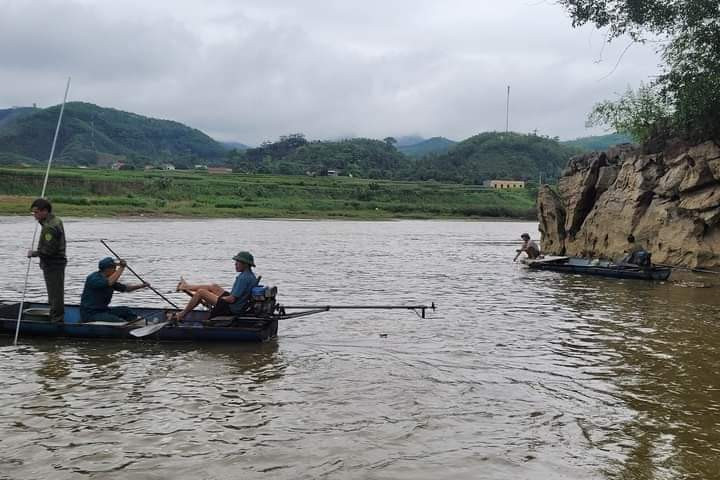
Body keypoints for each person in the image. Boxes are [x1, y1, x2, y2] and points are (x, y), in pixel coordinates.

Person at [174, 251, 257, 322]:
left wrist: (216, 299)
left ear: (245, 264)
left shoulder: (243, 278)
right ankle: (186, 286)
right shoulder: (250, 276)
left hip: (232, 308)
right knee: (214, 287)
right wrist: (215, 298)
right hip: (237, 304)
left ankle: (182, 314)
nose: (235, 264)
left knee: (201, 292)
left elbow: (231, 299)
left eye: (238, 262)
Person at [27, 198, 67, 323]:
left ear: (45, 211)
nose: (35, 216)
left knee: (55, 295)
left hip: (53, 264)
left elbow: (48, 251)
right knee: (55, 292)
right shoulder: (55, 220)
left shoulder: (49, 228)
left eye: (36, 212)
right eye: (33, 213)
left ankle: (57, 320)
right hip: (57, 263)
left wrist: (33, 253)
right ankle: (56, 316)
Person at [80, 257, 149, 323]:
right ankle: (125, 325)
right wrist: (121, 268)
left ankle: (139, 322)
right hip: (90, 314)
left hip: (104, 310)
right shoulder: (94, 278)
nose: (116, 270)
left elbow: (126, 289)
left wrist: (142, 286)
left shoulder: (110, 279)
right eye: (114, 268)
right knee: (116, 320)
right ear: (107, 269)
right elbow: (108, 283)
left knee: (125, 310)